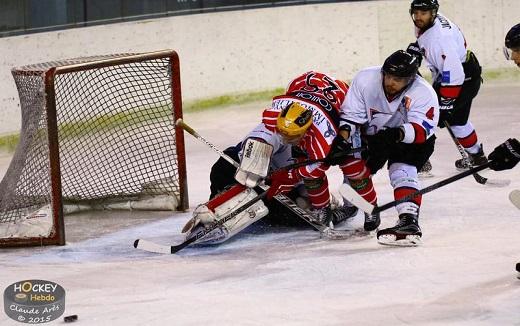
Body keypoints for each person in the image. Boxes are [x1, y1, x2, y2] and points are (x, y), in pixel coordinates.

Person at [183, 71, 380, 244]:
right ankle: (220, 206)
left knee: (353, 169)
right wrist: (252, 166)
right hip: (296, 136)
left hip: (323, 135)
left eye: (292, 136)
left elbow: (315, 170)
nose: (286, 138)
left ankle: (357, 208)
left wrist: (290, 178)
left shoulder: (327, 133)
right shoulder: (277, 116)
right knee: (226, 164)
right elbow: (259, 138)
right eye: (283, 133)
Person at [336, 50, 439, 246]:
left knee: (401, 170)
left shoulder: (423, 92)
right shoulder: (365, 79)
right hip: (373, 136)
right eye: (388, 76)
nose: (391, 82)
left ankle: (409, 221)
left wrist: (394, 135)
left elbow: (421, 130)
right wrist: (342, 141)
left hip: (409, 140)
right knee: (355, 172)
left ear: (410, 79)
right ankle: (353, 207)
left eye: (398, 79)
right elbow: (351, 116)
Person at [407, 0, 486, 173]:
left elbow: (455, 72)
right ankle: (477, 156)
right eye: (416, 12)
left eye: (424, 13)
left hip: (461, 79)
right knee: (457, 121)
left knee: (425, 116)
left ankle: (419, 160)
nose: (419, 17)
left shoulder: (440, 39)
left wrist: (445, 102)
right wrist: (417, 50)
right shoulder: (429, 24)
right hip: (467, 72)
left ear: (433, 13)